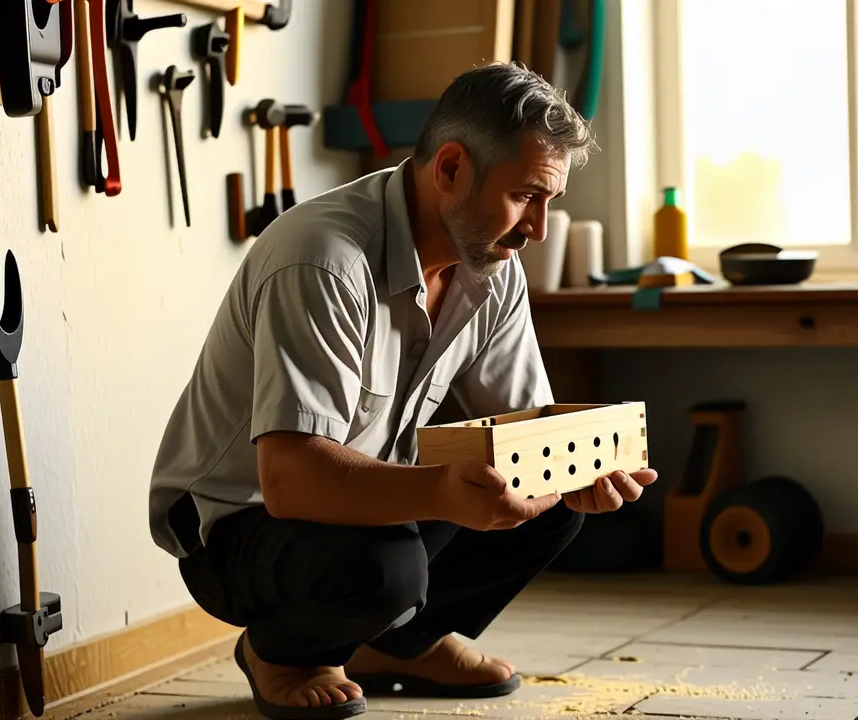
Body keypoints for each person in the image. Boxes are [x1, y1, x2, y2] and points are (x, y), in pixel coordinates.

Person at [147, 62, 658, 719]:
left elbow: (521, 428)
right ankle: (280, 649)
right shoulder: (323, 259)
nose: (537, 228)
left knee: (552, 500)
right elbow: (290, 478)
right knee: (384, 569)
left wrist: (580, 468)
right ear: (450, 169)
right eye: (526, 195)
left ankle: (396, 644)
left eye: (548, 202)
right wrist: (442, 490)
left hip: (352, 495)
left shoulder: (491, 267)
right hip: (238, 521)